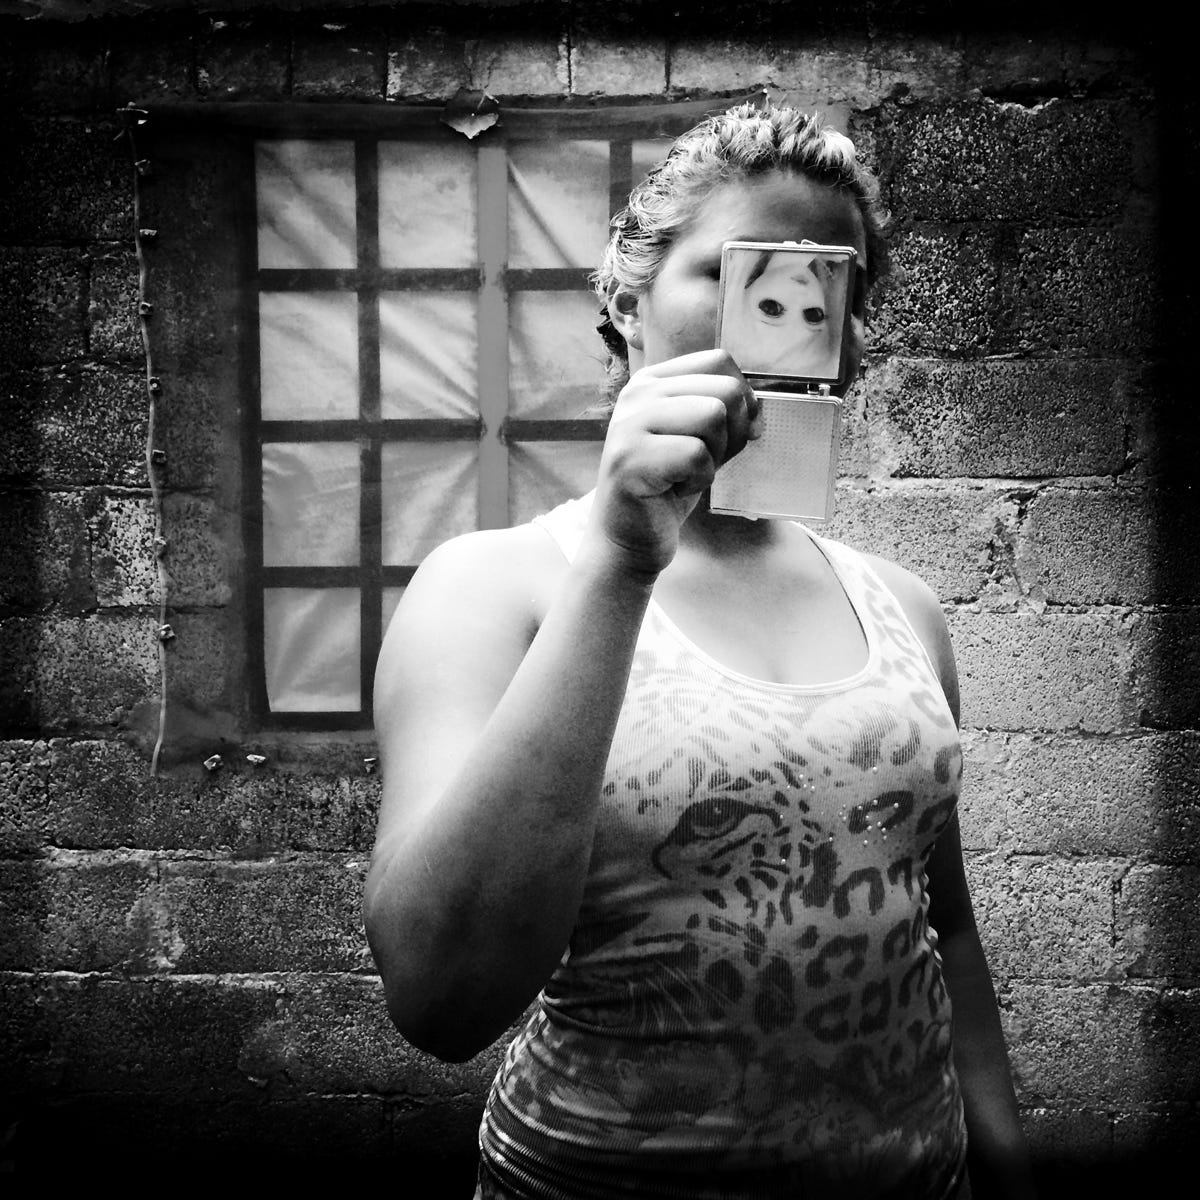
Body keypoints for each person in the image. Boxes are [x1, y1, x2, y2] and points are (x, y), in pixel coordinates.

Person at [364, 104, 1037, 1200]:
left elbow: (942, 928)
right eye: (738, 274)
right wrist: (622, 560)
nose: (788, 317)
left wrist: (1006, 1174)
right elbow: (440, 1002)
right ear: (627, 301)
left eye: (832, 288)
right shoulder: (490, 587)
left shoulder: (903, 607)